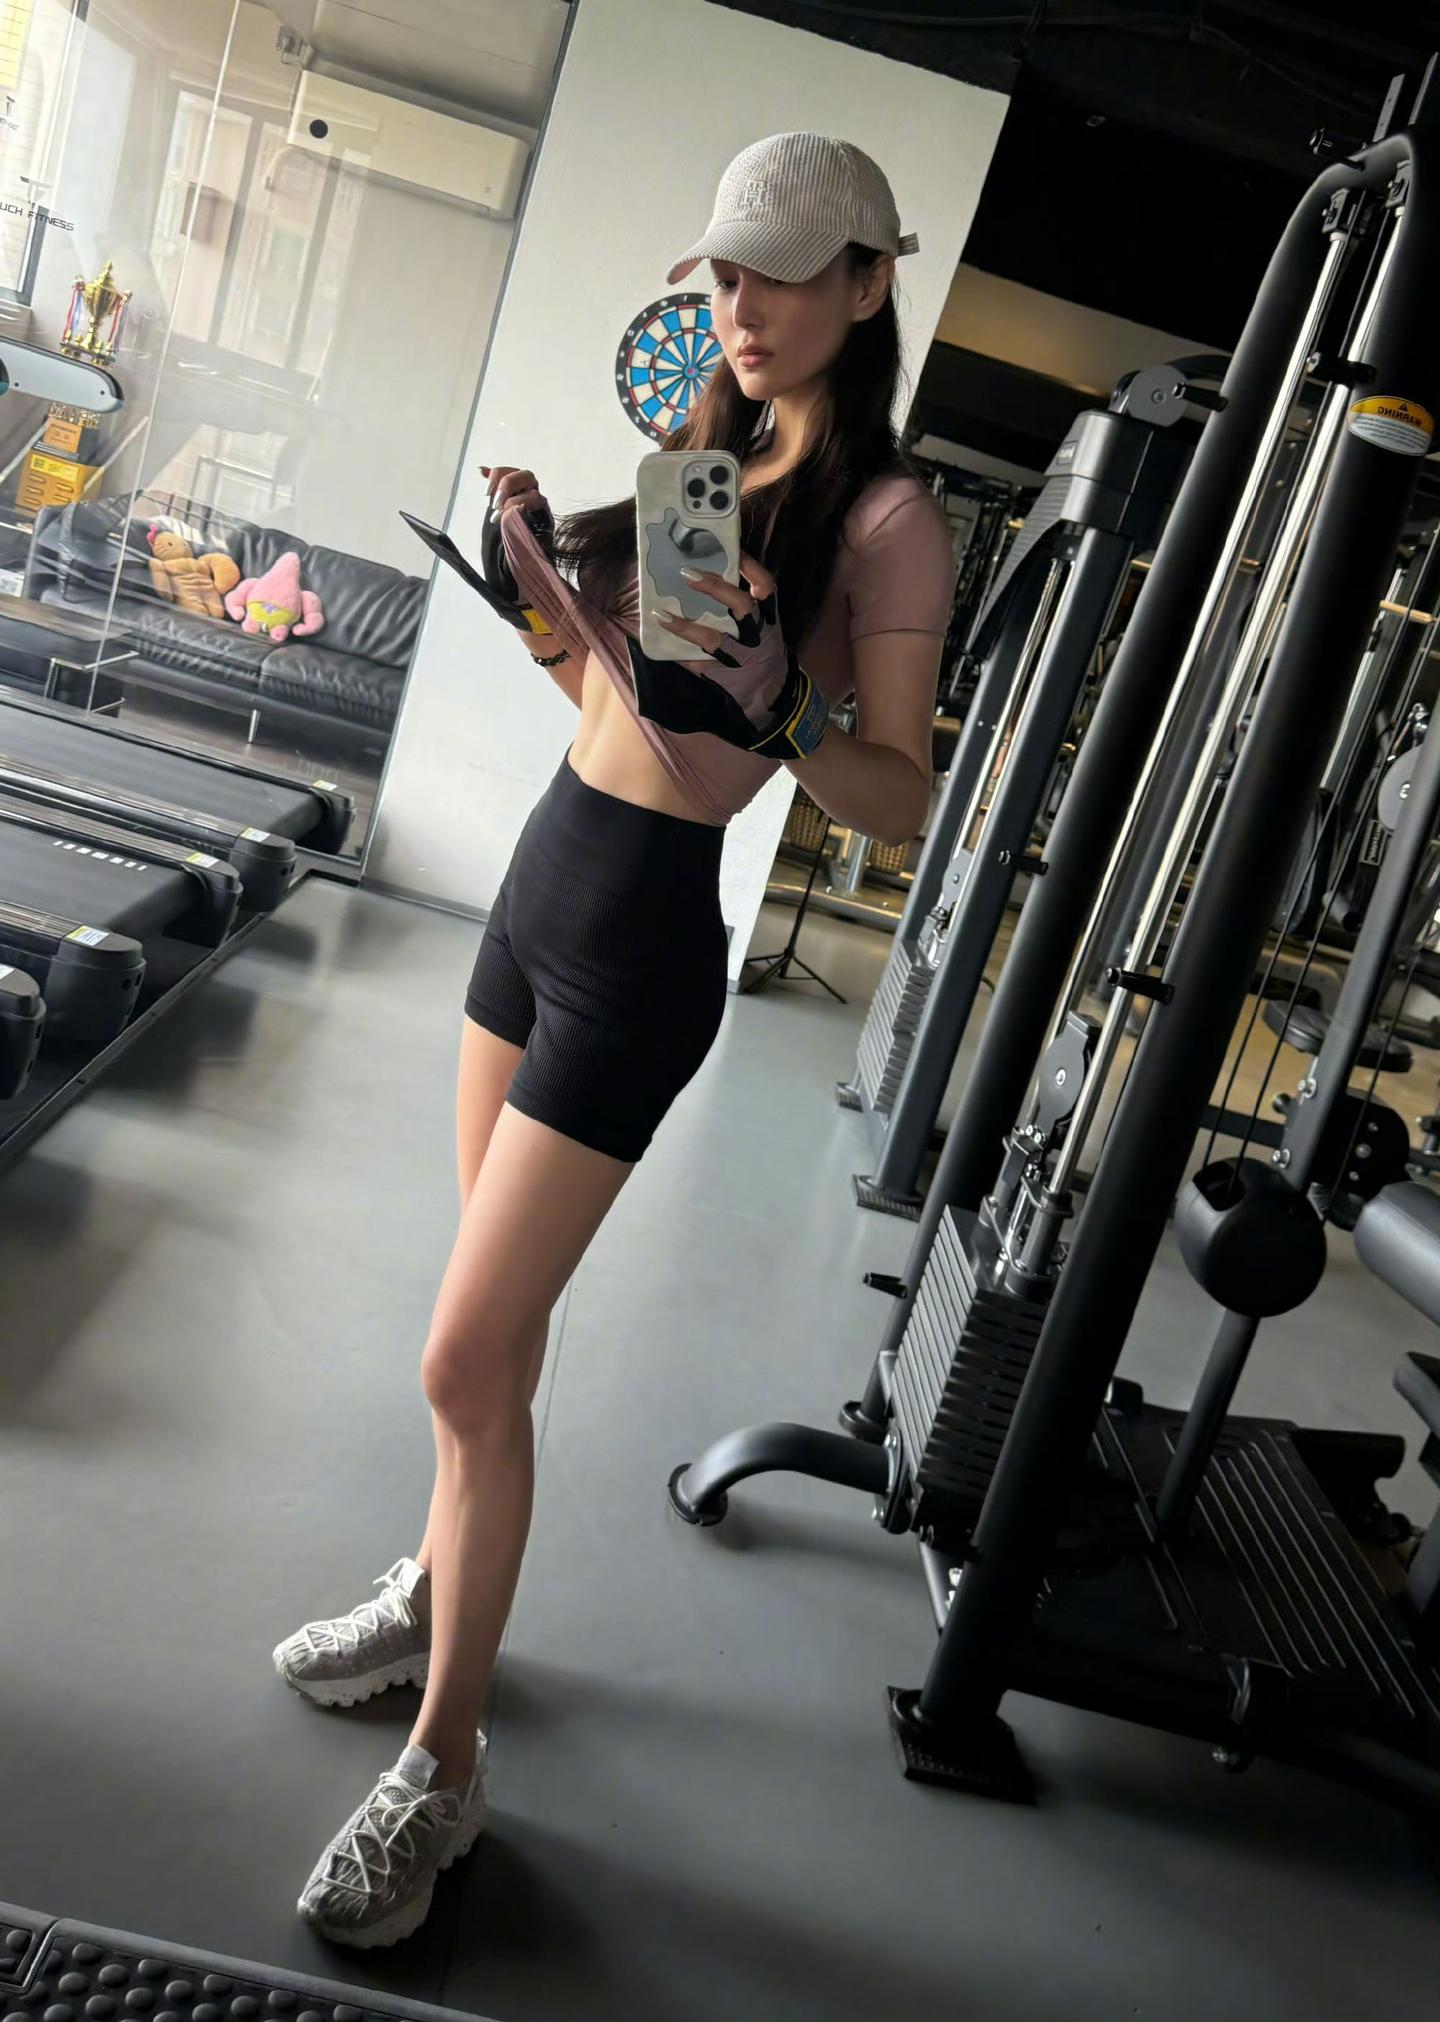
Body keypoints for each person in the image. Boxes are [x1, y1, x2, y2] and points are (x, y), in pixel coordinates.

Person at [275, 130, 957, 1948]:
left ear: (867, 283)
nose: (741, 304)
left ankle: (445, 1765)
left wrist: (790, 704)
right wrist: (537, 595)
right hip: (538, 886)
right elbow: (615, 702)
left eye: (782, 273)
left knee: (458, 1357)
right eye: (724, 270)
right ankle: (441, 1590)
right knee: (490, 1347)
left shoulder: (888, 520)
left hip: (642, 943)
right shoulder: (703, 462)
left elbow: (899, 794)